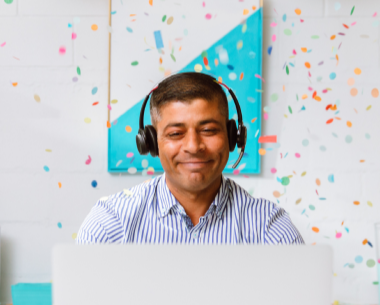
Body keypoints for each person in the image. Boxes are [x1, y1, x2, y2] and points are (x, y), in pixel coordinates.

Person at [76, 72, 304, 244]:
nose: (194, 146)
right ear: (152, 142)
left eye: (209, 130)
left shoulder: (271, 229)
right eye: (176, 134)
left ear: (233, 136)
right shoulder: (109, 224)